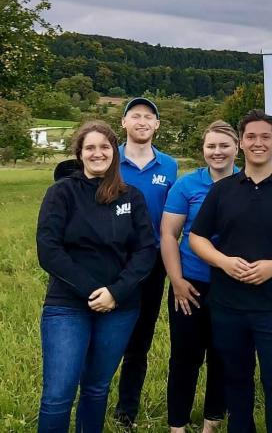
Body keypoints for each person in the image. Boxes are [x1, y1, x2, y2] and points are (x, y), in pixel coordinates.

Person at [189, 109, 272, 433]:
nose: (258, 143)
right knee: (236, 380)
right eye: (251, 137)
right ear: (241, 143)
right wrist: (223, 261)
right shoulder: (222, 190)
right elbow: (196, 237)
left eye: (265, 137)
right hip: (228, 306)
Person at [36, 121, 156, 433]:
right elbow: (49, 250)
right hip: (67, 306)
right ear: (80, 153)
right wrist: (93, 291)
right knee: (58, 395)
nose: (98, 153)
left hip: (119, 308)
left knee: (96, 388)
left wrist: (115, 293)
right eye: (90, 147)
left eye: (104, 147)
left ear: (114, 153)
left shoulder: (132, 197)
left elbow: (145, 251)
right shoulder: (61, 193)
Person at [161, 121, 239, 432]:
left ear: (237, 148)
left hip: (232, 286)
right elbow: (168, 234)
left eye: (224, 146)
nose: (217, 152)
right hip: (189, 284)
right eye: (211, 146)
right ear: (203, 150)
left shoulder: (249, 183)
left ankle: (211, 423)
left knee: (222, 356)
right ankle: (177, 425)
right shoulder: (186, 185)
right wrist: (177, 281)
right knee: (184, 357)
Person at [114, 97, 178, 426]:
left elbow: (172, 220)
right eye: (135, 115)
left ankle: (126, 411)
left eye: (148, 116)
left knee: (140, 340)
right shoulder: (109, 160)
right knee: (104, 334)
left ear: (157, 125)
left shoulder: (169, 166)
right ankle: (90, 400)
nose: (142, 121)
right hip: (110, 262)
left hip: (152, 264)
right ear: (123, 122)